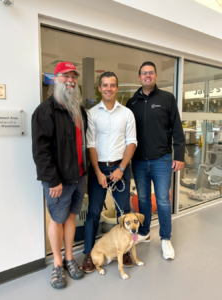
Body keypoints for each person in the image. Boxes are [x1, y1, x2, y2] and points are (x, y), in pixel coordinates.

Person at [32, 62, 87, 289]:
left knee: (71, 217)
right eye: (66, 76)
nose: (71, 80)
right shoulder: (45, 111)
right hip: (59, 181)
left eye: (74, 76)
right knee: (57, 220)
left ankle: (69, 258)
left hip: (79, 177)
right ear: (56, 79)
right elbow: (40, 151)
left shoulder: (78, 110)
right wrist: (52, 180)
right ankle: (56, 263)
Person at [126, 61, 185, 260]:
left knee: (162, 200)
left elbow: (177, 128)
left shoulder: (167, 98)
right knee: (142, 200)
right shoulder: (132, 102)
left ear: (156, 76)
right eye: (144, 73)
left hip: (162, 159)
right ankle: (144, 232)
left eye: (151, 73)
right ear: (139, 77)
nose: (147, 76)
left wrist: (179, 155)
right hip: (139, 161)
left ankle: (166, 239)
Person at [82, 71, 137, 273]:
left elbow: (132, 142)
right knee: (94, 212)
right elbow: (91, 145)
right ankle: (89, 253)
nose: (108, 88)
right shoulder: (92, 114)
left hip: (120, 167)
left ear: (116, 87)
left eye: (112, 85)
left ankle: (124, 251)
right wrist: (97, 172)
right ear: (99, 88)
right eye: (104, 85)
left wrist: (121, 168)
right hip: (99, 168)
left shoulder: (127, 114)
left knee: (123, 213)